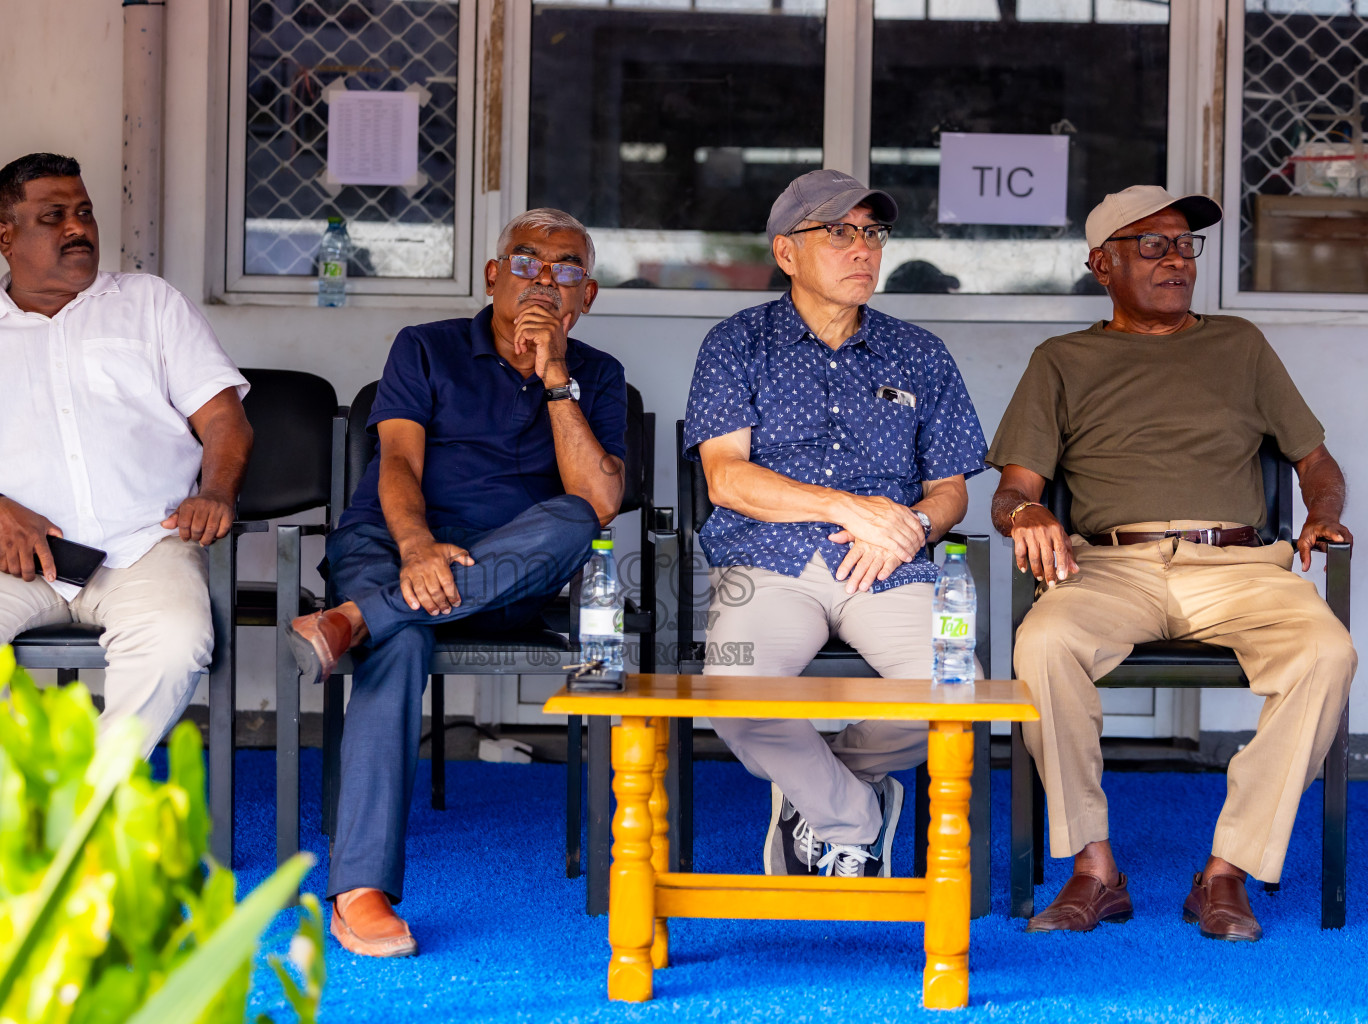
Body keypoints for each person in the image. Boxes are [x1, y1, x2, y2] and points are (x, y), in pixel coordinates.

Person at [988, 185, 1356, 942]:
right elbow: (1014, 489)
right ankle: (1095, 870)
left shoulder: (1240, 345)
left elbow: (1315, 460)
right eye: (1151, 245)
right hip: (1109, 568)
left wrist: (1321, 513)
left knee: (1327, 652)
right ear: (1102, 265)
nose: (1176, 260)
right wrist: (1025, 513)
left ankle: (1226, 871)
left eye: (1185, 245)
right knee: (1043, 643)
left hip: (1239, 566)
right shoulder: (1062, 360)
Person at [284, 209, 627, 959]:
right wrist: (416, 547)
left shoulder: (597, 375)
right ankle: (360, 892)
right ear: (492, 276)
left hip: (512, 575)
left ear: (587, 296)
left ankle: (353, 620)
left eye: (565, 268)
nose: (543, 279)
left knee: (573, 520)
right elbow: (397, 465)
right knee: (401, 640)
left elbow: (598, 500)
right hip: (392, 543)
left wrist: (556, 377)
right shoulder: (427, 348)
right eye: (527, 261)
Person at [682, 169, 988, 880]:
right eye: (840, 232)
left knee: (958, 689)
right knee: (733, 687)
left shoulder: (920, 353)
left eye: (872, 233)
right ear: (786, 252)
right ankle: (852, 815)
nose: (863, 250)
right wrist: (844, 506)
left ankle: (816, 789)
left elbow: (950, 490)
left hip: (886, 564)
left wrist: (910, 525)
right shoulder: (737, 344)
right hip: (766, 560)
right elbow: (726, 477)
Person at [0, 153, 253, 756]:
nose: (77, 228)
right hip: (0, 549)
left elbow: (224, 418)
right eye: (53, 216)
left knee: (175, 641)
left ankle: (93, 799)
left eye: (83, 212)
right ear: (4, 237)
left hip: (144, 543)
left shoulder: (151, 304)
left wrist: (216, 490)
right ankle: (30, 782)